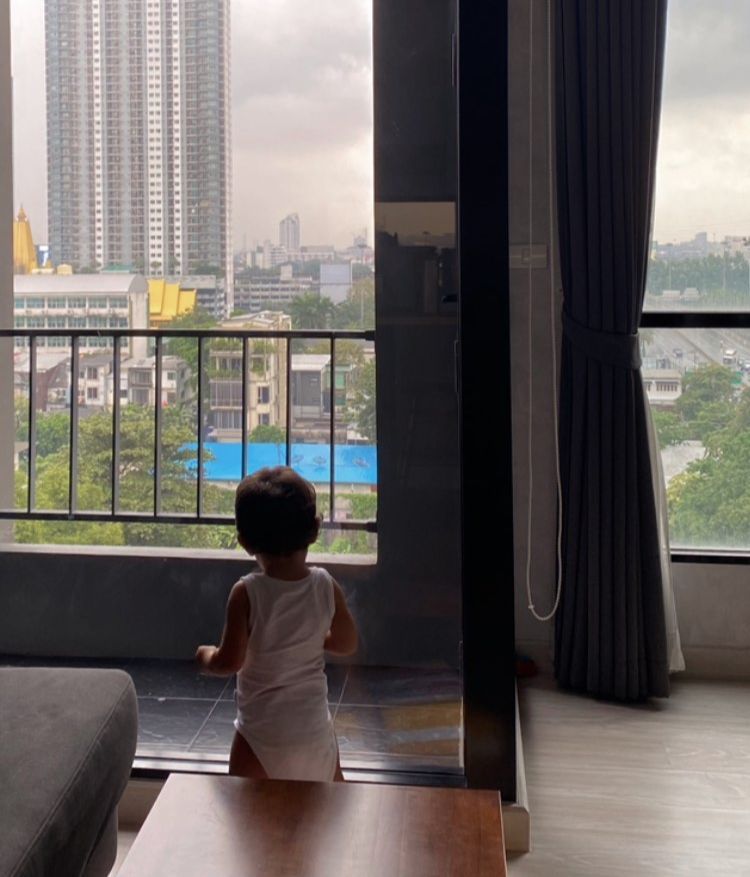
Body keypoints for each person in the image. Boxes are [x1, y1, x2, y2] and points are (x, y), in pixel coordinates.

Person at [195, 466, 358, 782]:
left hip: (260, 738)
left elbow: (230, 661)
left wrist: (205, 656)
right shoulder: (325, 585)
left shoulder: (247, 592)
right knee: (328, 805)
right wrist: (311, 636)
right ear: (314, 530)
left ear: (244, 541)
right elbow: (346, 642)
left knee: (246, 810)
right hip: (315, 735)